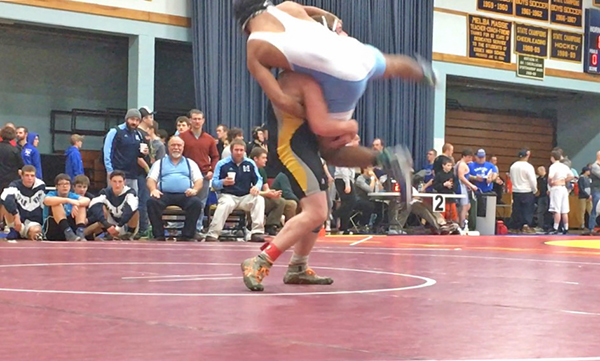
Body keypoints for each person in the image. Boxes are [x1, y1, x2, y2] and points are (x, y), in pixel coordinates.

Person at [234, 0, 433, 196]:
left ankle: (387, 159)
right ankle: (425, 73)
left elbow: (281, 100)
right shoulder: (288, 7)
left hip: (342, 78)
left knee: (330, 151)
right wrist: (334, 24)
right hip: (354, 51)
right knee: (393, 65)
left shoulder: (255, 48)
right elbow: (327, 16)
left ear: (243, 28)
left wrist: (313, 117)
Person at [206, 139, 266, 242]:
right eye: (236, 150)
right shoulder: (222, 164)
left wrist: (256, 187)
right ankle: (213, 234)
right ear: (231, 150)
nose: (239, 152)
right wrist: (223, 182)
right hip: (228, 195)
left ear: (245, 151)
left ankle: (257, 232)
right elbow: (214, 183)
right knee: (225, 204)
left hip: (245, 197)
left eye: (241, 150)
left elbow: (259, 179)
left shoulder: (250, 163)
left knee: (259, 199)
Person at [146, 136, 204, 241]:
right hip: (164, 194)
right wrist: (153, 190)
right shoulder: (160, 163)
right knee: (151, 202)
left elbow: (199, 180)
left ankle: (187, 236)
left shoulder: (190, 163)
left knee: (196, 203)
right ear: (168, 147)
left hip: (185, 194)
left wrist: (195, 190)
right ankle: (159, 235)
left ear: (183, 147)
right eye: (173, 145)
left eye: (179, 145)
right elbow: (151, 179)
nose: (176, 148)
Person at [179, 109, 219, 233]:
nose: (197, 121)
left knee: (200, 204)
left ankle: (196, 228)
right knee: (186, 202)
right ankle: (183, 228)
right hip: (186, 175)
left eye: (199, 119)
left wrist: (212, 170)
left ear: (203, 121)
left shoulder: (209, 139)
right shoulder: (181, 137)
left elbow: (215, 156)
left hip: (203, 176)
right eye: (194, 119)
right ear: (190, 120)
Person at [87, 171, 139, 240]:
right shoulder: (104, 192)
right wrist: (106, 225)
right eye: (114, 181)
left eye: (120, 182)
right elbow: (93, 205)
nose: (117, 185)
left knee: (135, 211)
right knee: (101, 208)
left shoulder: (130, 192)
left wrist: (119, 227)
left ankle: (129, 235)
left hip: (124, 223)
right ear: (110, 181)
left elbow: (131, 208)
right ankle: (107, 234)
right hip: (110, 223)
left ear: (124, 182)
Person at [0, 165, 45, 240]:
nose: (30, 178)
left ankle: (31, 235)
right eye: (27, 175)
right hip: (17, 220)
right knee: (6, 204)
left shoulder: (41, 186)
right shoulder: (14, 185)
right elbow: (6, 198)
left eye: (32, 176)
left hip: (33, 220)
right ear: (22, 176)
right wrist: (16, 215)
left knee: (35, 231)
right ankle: (12, 229)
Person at [42, 173, 90, 241]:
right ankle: (68, 232)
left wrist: (77, 204)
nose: (65, 186)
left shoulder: (72, 195)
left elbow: (87, 200)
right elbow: (46, 200)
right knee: (56, 203)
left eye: (67, 184)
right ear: (56, 186)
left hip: (72, 230)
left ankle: (80, 232)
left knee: (81, 206)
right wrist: (68, 200)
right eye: (61, 184)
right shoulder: (52, 194)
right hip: (53, 229)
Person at [250, 147, 286, 235]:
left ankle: (271, 225)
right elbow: (250, 190)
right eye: (263, 158)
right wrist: (267, 193)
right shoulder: (249, 168)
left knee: (280, 201)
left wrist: (273, 193)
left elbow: (266, 188)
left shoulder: (261, 170)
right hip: (251, 196)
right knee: (277, 201)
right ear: (255, 159)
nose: (266, 160)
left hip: (261, 195)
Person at [548, 149, 574, 235]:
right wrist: (564, 180)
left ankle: (555, 227)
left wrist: (551, 183)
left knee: (557, 209)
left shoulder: (553, 166)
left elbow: (550, 177)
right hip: (564, 188)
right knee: (564, 210)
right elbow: (571, 176)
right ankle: (566, 228)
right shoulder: (564, 166)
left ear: (552, 158)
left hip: (556, 188)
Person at [455, 148, 477, 233]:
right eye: (470, 158)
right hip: (461, 187)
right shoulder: (462, 164)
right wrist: (471, 185)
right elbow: (461, 177)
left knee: (466, 205)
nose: (471, 160)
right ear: (465, 156)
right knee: (464, 207)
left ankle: (460, 223)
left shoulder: (459, 163)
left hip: (462, 186)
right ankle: (462, 226)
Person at [578, 166, 592, 231]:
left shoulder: (589, 178)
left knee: (590, 210)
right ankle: (582, 224)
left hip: (589, 196)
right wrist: (587, 195)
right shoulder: (581, 178)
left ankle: (590, 223)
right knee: (582, 210)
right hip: (583, 196)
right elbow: (581, 188)